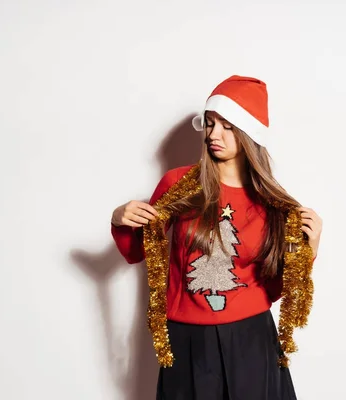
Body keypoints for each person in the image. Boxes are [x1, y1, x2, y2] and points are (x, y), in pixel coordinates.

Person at [110, 75, 323, 400]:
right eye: (209, 124)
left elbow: (274, 288)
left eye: (226, 126)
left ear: (248, 132)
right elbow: (135, 252)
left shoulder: (271, 204)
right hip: (186, 339)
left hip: (252, 339)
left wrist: (310, 248)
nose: (213, 134)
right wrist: (120, 220)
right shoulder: (179, 183)